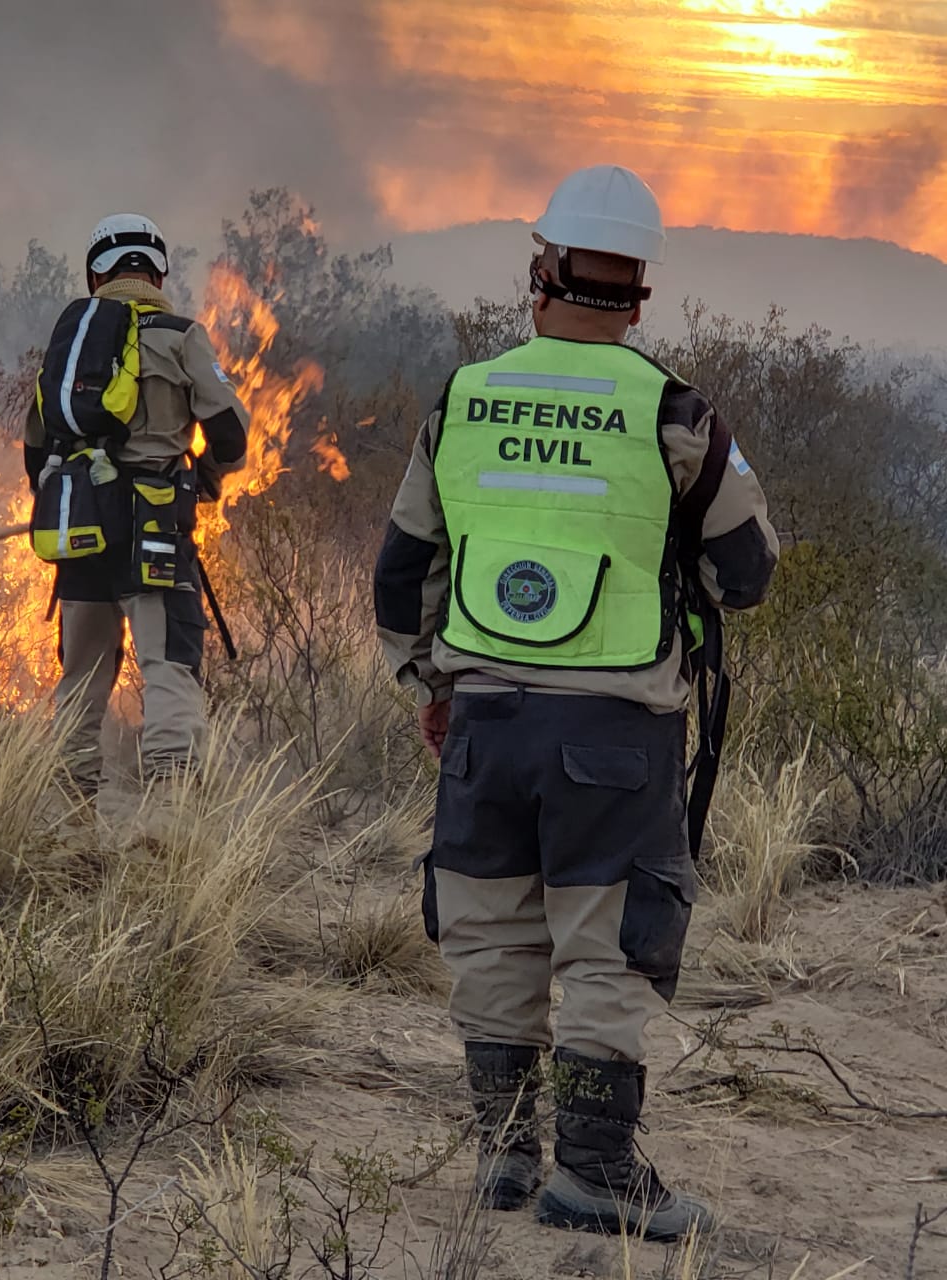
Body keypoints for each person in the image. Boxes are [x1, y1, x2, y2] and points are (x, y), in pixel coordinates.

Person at [374, 166, 779, 1240]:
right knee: (603, 948)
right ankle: (594, 1171)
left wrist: (430, 684)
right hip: (616, 735)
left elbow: (399, 572)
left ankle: (505, 1159)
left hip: (485, 723)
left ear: (540, 270)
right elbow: (747, 572)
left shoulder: (463, 400)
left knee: (495, 935)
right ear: (639, 294)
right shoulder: (678, 414)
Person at [24, 213, 249, 797]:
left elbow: (35, 449)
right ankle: (168, 821)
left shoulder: (70, 347)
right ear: (158, 272)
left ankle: (65, 824)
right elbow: (231, 437)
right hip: (155, 526)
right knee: (168, 667)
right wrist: (204, 474)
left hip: (78, 525)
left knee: (80, 678)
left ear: (95, 276)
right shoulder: (179, 335)